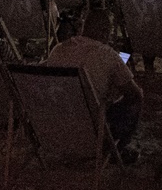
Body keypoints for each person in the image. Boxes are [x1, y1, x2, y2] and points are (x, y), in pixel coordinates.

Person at [45, 10, 143, 162]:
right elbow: (135, 94)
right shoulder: (109, 55)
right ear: (105, 31)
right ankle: (115, 150)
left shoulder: (57, 49)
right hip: (89, 130)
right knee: (134, 100)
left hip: (54, 126)